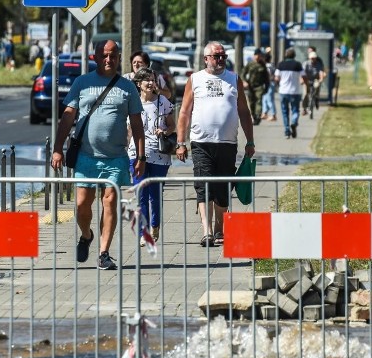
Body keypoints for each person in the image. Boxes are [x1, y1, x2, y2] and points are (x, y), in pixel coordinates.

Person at [50, 40, 146, 270]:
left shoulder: (127, 87)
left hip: (115, 158)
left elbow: (137, 123)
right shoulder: (82, 83)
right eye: (104, 55)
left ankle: (104, 253)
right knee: (82, 204)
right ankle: (86, 235)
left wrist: (140, 157)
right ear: (94, 57)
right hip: (86, 156)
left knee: (110, 202)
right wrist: (57, 148)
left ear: (118, 57)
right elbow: (67, 117)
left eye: (113, 56)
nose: (108, 60)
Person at [176, 41, 256, 247]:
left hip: (227, 143)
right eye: (216, 56)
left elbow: (244, 111)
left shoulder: (234, 79)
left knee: (223, 189)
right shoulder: (195, 79)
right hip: (201, 142)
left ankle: (220, 227)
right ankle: (207, 231)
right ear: (206, 59)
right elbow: (184, 111)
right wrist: (180, 142)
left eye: (223, 56)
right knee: (204, 186)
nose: (220, 60)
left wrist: (250, 140)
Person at [126, 67, 176, 246]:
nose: (150, 82)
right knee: (140, 193)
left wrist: (165, 130)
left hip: (159, 153)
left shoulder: (162, 101)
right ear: (138, 84)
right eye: (146, 79)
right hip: (136, 154)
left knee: (155, 195)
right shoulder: (132, 103)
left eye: (152, 79)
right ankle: (143, 231)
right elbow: (129, 131)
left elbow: (172, 125)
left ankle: (155, 225)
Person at [274, 47, 307, 139]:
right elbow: (304, 76)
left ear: (285, 55)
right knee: (295, 110)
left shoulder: (281, 65)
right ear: (294, 56)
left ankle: (287, 131)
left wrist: (278, 84)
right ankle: (294, 121)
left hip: (283, 91)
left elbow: (276, 78)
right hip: (295, 92)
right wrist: (305, 83)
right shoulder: (298, 65)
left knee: (285, 112)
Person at [240, 48, 270, 125]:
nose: (258, 57)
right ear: (254, 56)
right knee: (251, 102)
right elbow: (243, 73)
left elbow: (266, 78)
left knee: (259, 101)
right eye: (256, 55)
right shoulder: (250, 64)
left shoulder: (263, 65)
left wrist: (267, 87)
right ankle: (253, 116)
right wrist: (244, 81)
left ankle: (258, 116)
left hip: (259, 86)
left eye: (259, 55)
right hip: (250, 86)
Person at [303, 48, 327, 116]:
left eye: (314, 58)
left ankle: (316, 98)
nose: (313, 59)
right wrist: (302, 80)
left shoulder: (319, 62)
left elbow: (321, 72)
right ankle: (305, 108)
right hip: (307, 79)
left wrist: (321, 79)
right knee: (305, 94)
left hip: (315, 79)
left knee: (317, 86)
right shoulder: (306, 63)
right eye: (312, 58)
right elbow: (303, 73)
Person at [261, 52, 277, 121]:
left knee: (269, 99)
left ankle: (273, 115)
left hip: (269, 83)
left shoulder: (266, 66)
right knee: (264, 99)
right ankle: (264, 113)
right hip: (271, 83)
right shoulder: (272, 65)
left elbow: (268, 75)